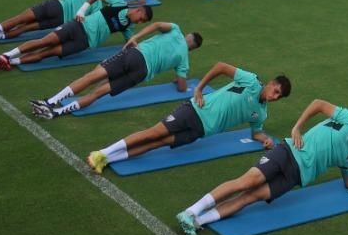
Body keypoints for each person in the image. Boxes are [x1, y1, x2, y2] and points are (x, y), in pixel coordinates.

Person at [176, 100, 348, 235]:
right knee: (246, 182)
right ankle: (190, 211)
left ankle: (197, 222)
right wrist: (297, 128)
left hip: (296, 176)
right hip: (287, 153)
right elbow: (318, 104)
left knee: (249, 198)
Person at [86, 60, 291, 174]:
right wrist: (199, 89)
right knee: (153, 133)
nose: (275, 96)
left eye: (279, 96)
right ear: (271, 83)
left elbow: (256, 132)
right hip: (194, 111)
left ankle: (108, 159)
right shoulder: (252, 81)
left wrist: (264, 139)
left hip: (202, 131)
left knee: (158, 143)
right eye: (276, 90)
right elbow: (220, 66)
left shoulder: (261, 112)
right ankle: (100, 152)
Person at [29, 21, 201, 119]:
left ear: (188, 36)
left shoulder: (176, 29)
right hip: (140, 73)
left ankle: (51, 102)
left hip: (135, 54)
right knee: (98, 93)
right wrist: (180, 82)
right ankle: (57, 113)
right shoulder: (184, 58)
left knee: (92, 77)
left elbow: (156, 25)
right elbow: (181, 87)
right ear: (192, 49)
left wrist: (135, 37)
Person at [0, 0, 153, 70]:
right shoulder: (119, 2)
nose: (139, 22)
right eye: (141, 19)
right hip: (78, 26)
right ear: (138, 10)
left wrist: (139, 49)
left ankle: (11, 62)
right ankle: (7, 55)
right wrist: (82, 10)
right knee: (44, 41)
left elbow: (129, 41)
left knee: (48, 53)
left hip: (84, 43)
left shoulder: (128, 26)